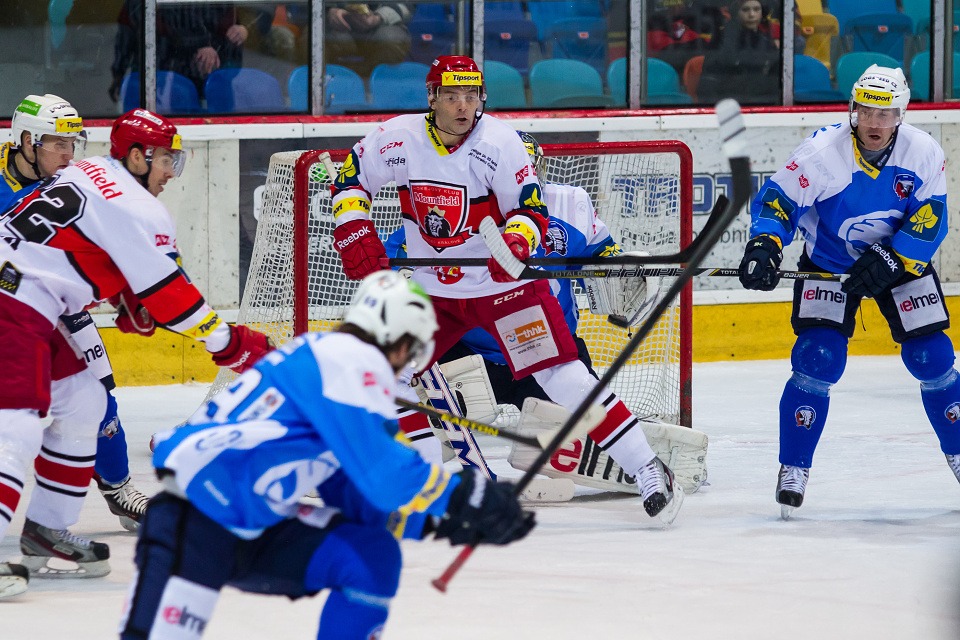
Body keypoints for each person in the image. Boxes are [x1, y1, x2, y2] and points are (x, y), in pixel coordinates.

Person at [330, 55, 683, 525]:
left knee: (565, 378)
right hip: (434, 294)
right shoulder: (396, 138)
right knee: (384, 371)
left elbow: (531, 209)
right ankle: (420, 482)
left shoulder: (500, 142)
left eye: (471, 96)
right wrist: (353, 225)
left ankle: (647, 469)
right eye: (452, 96)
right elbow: (350, 177)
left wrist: (517, 240)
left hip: (504, 289)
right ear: (432, 97)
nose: (463, 106)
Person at [118, 270, 533, 639]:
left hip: (254, 523)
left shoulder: (330, 360)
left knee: (371, 554)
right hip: (198, 521)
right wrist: (468, 498)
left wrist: (436, 522)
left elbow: (350, 491)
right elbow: (384, 472)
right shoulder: (350, 361)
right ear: (403, 343)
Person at [0, 108, 273, 598]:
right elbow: (170, 295)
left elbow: (81, 245)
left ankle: (45, 530)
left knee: (85, 400)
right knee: (16, 422)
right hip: (13, 299)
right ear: (135, 156)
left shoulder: (90, 170)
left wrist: (127, 292)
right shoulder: (136, 206)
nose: (172, 171)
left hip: (37, 299)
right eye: (165, 159)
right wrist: (230, 345)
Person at [737, 65, 958, 518]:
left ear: (901, 114)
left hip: (899, 264)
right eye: (866, 112)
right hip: (829, 263)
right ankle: (794, 466)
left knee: (932, 357)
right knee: (817, 358)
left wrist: (895, 258)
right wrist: (765, 244)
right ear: (853, 110)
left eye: (885, 114)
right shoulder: (822, 153)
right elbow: (779, 200)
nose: (874, 123)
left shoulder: (922, 152)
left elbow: (931, 217)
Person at [385, 130, 656, 412]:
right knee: (417, 413)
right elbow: (398, 254)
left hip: (545, 350)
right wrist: (403, 275)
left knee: (588, 421)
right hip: (467, 357)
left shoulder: (569, 205)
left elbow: (601, 256)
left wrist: (619, 273)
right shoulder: (455, 207)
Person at [0, 94, 150, 535]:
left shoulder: (72, 183)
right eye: (58, 145)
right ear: (27, 141)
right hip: (9, 314)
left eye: (73, 144)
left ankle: (118, 487)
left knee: (99, 395)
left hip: (60, 312)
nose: (69, 155)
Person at [110, 2, 250, 101]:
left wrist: (241, 31)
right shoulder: (139, 5)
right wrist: (118, 74)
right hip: (162, 78)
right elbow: (126, 38)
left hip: (213, 80)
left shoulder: (224, 6)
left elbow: (230, 30)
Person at [699, 0, 781, 104]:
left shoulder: (765, 40)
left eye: (756, 9)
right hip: (728, 104)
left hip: (760, 104)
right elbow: (708, 83)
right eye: (745, 10)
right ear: (735, 12)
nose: (752, 15)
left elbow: (774, 81)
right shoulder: (721, 39)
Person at [324, 2, 411, 76]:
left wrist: (379, 17)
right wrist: (328, 11)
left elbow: (408, 5)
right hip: (335, 27)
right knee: (319, 41)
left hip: (381, 24)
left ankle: (376, 84)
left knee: (392, 40)